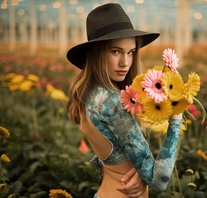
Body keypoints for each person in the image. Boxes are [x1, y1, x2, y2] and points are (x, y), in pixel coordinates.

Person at [66, 3, 182, 198]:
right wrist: (176, 120)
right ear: (96, 52)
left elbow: (108, 152)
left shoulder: (89, 94)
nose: (125, 63)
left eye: (130, 52)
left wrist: (137, 169)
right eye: (116, 51)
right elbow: (159, 180)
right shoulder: (112, 102)